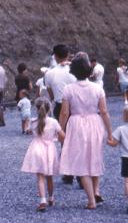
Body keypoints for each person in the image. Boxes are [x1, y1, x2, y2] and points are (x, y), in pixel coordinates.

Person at [58, 52, 114, 210]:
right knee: (95, 157)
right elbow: (104, 111)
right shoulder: (97, 88)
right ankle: (96, 190)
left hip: (76, 124)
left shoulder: (68, 89)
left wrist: (60, 130)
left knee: (80, 162)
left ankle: (91, 200)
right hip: (95, 123)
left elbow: (64, 113)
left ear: (73, 71)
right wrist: (109, 132)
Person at [21, 98, 65, 212]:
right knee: (49, 176)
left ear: (36, 108)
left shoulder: (33, 121)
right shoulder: (53, 122)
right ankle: (51, 198)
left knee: (40, 177)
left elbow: (28, 130)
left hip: (36, 148)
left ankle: (42, 200)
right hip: (49, 148)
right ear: (49, 108)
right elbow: (62, 136)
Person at [44, 44, 76, 184]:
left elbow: (50, 92)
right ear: (68, 54)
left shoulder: (49, 73)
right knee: (77, 138)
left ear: (54, 56)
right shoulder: (75, 69)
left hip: (59, 105)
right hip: (76, 106)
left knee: (64, 139)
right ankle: (82, 175)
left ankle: (68, 173)